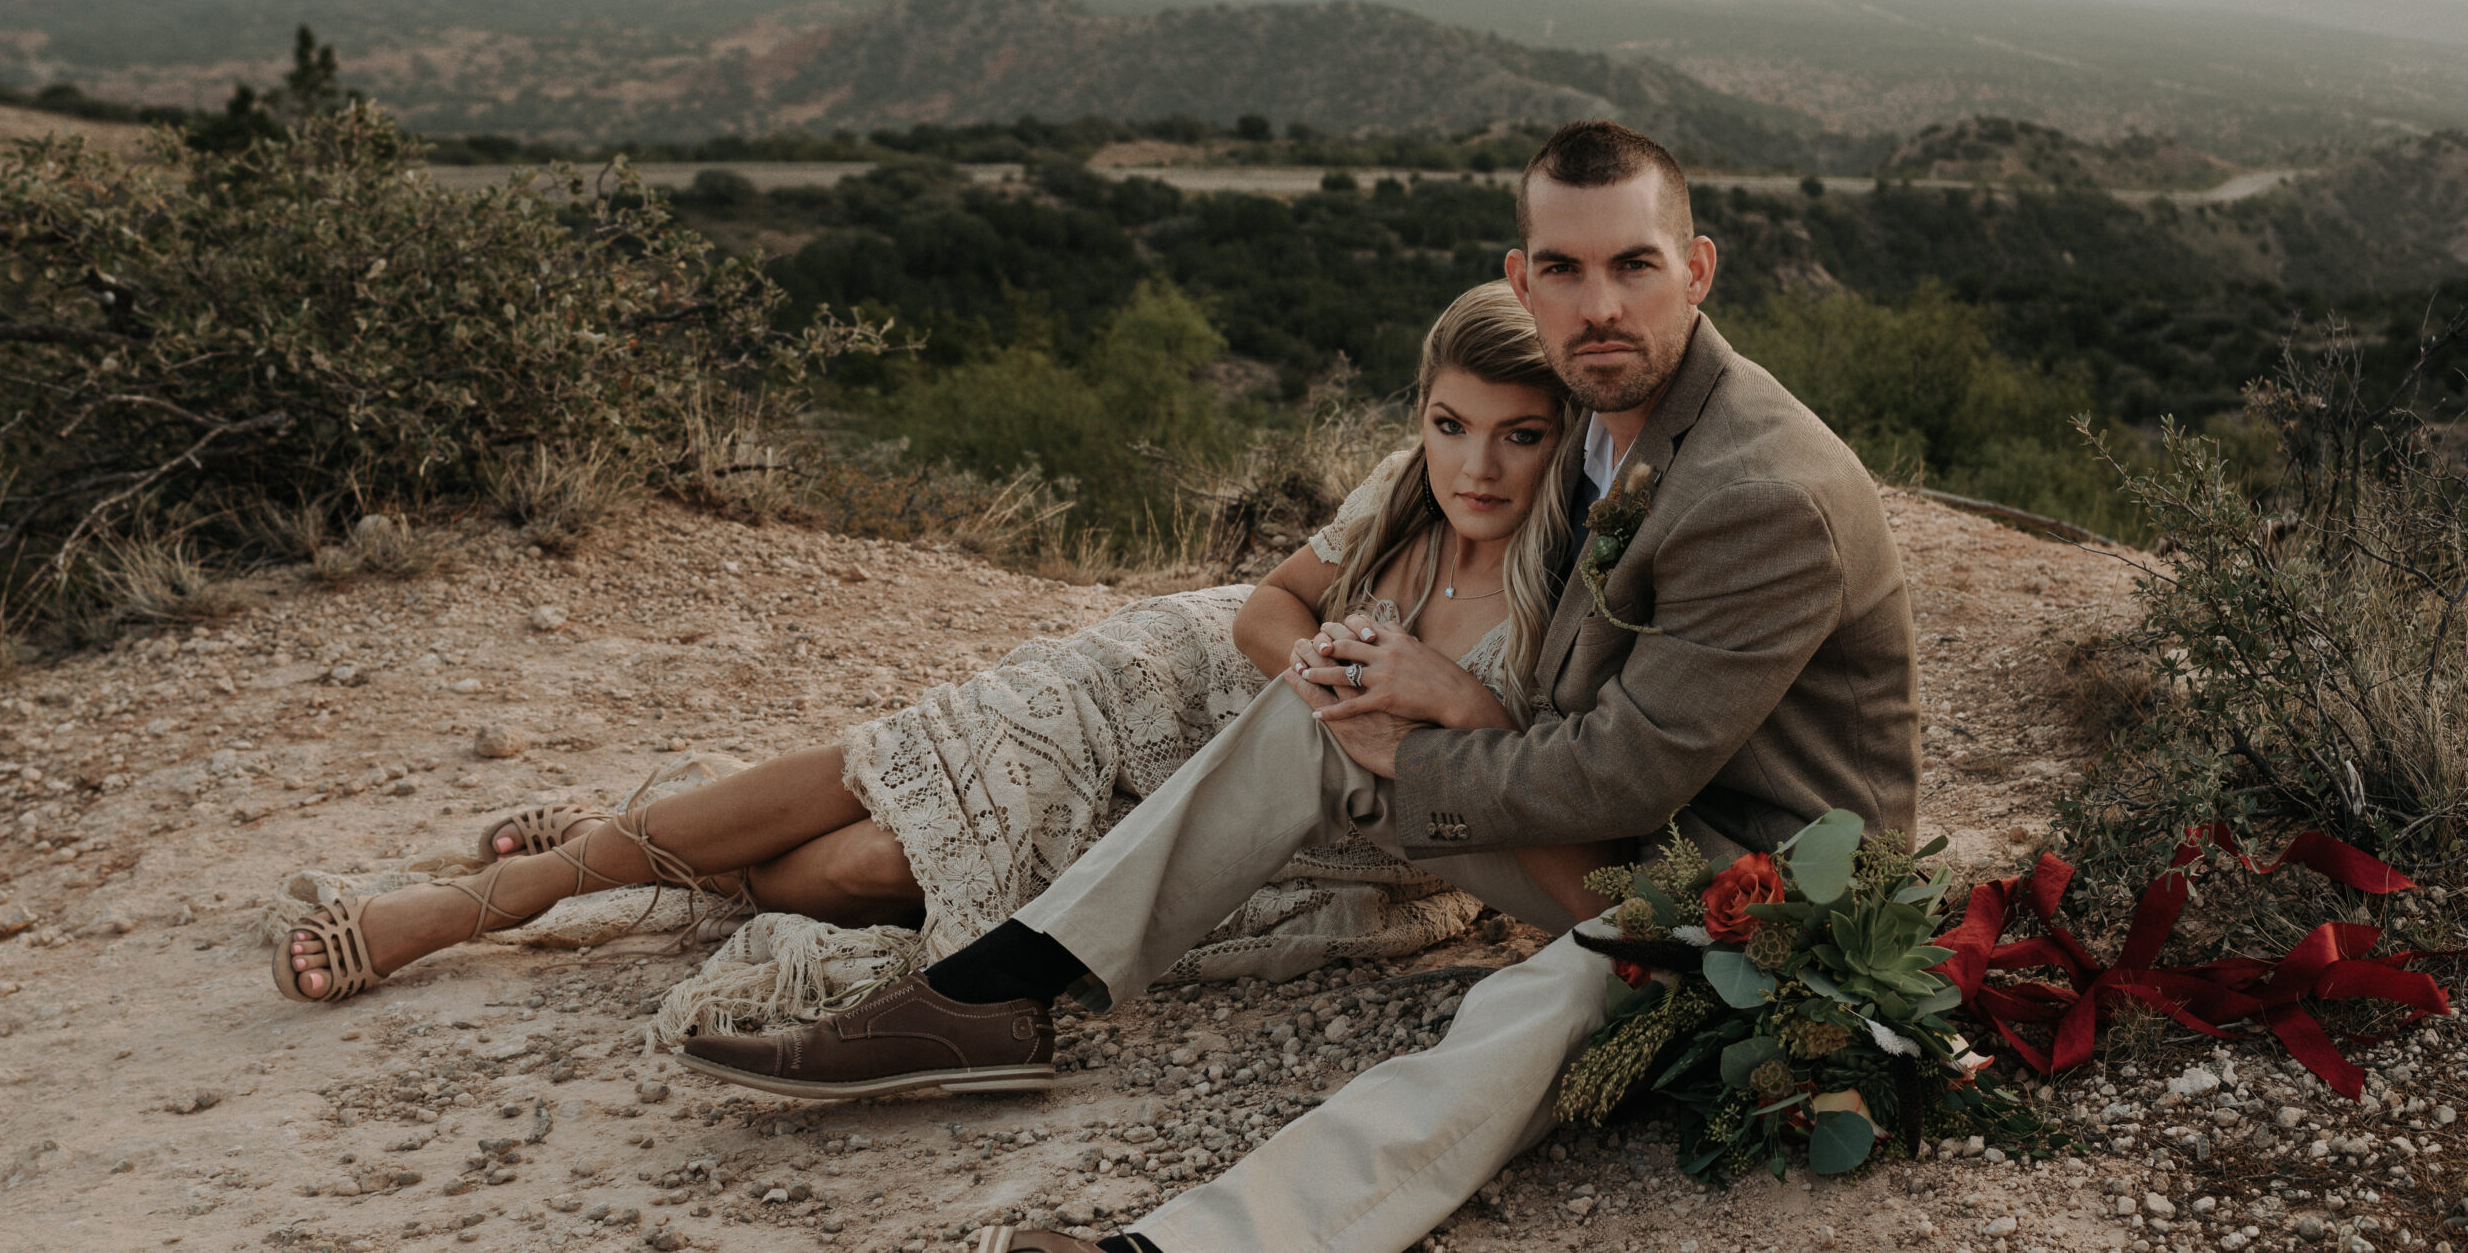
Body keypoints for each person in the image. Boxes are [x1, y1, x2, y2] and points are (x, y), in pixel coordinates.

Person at [679, 120, 1920, 1253]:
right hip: (1617, 836)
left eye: (1633, 266)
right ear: (1522, 275)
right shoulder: (1604, 425)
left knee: (1524, 1011)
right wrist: (1385, 703)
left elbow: (1623, 770)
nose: (1598, 305)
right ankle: (995, 994)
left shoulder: (1761, 488)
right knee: (1310, 715)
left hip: (1746, 903)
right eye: (1564, 269)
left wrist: (1419, 725)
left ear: (1697, 270)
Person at [273, 281, 1604, 1008]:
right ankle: (494, 900)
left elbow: (1553, 795)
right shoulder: (1410, 484)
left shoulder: (1584, 590)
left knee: (852, 874)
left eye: (1519, 435)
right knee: (886, 770)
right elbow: (1268, 605)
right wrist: (1307, 670)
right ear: (1421, 414)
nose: (1476, 463)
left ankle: (652, 833)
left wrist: (1441, 705)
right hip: (1181, 677)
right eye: (1449, 424)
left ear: (1569, 437)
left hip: (1307, 825)